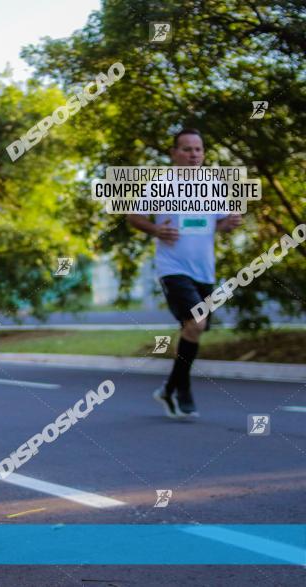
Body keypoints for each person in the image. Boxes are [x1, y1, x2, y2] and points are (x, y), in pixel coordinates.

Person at [127, 128, 242, 419]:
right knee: (197, 323)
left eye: (198, 150)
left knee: (192, 329)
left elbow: (215, 225)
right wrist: (155, 229)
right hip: (172, 268)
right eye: (187, 149)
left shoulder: (213, 186)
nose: (194, 155)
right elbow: (133, 217)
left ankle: (169, 389)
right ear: (174, 153)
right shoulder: (160, 185)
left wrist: (229, 223)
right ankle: (183, 388)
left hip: (204, 270)